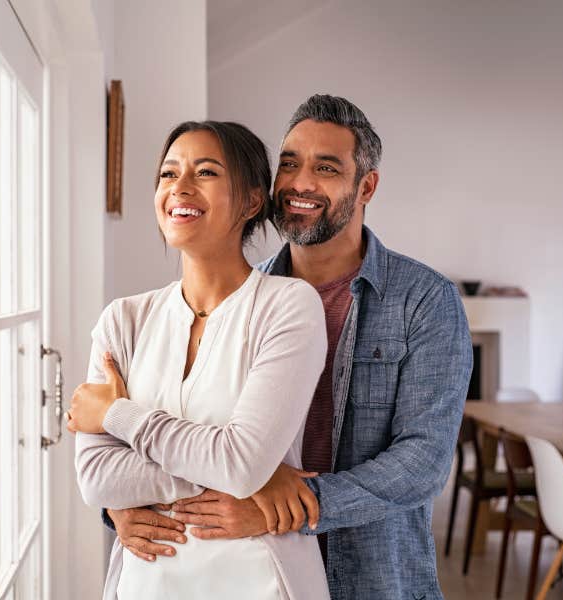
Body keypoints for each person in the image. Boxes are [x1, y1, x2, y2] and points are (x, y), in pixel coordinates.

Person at [106, 95, 473, 600]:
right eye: (289, 164)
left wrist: (295, 503)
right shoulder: (238, 300)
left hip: (373, 577)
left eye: (326, 168)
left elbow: (423, 461)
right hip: (250, 571)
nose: (301, 184)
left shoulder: (424, 301)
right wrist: (120, 504)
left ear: (366, 186)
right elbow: (186, 430)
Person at [67, 121, 330, 599]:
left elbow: (242, 462)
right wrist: (240, 470)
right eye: (168, 174)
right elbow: (97, 478)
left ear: (252, 201)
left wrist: (114, 415)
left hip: (261, 581)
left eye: (205, 172)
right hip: (144, 584)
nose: (179, 188)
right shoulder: (122, 320)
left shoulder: (288, 306)